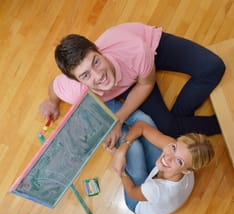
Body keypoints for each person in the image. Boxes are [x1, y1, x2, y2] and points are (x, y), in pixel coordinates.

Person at [39, 22, 225, 150]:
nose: (99, 76)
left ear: (99, 51)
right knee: (169, 128)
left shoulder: (135, 49)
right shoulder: (74, 90)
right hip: (131, 80)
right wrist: (51, 102)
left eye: (96, 62)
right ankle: (224, 123)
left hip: (148, 48)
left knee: (213, 67)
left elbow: (146, 83)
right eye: (85, 75)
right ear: (78, 81)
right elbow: (55, 86)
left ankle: (179, 119)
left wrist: (119, 118)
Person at [112, 121, 215, 214]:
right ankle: (117, 121)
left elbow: (131, 192)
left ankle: (113, 123)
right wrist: (121, 151)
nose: (168, 157)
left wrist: (121, 169)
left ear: (187, 171)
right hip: (160, 181)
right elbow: (141, 126)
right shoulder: (184, 155)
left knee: (134, 147)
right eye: (174, 147)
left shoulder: (156, 190)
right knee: (144, 121)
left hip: (138, 202)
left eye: (179, 161)